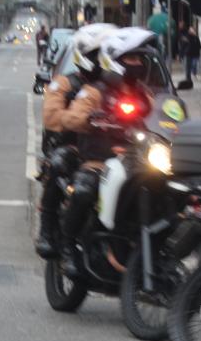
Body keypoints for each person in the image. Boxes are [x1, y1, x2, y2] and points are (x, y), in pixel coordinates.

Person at [55, 27, 159, 278]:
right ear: (115, 61)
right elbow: (70, 118)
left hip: (137, 161)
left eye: (139, 59)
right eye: (131, 59)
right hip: (98, 161)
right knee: (84, 191)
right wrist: (91, 119)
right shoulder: (93, 91)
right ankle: (68, 247)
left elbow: (161, 117)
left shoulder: (144, 94)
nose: (137, 65)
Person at [34, 22, 117, 258]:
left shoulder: (115, 88)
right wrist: (82, 120)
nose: (103, 60)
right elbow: (51, 117)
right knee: (59, 164)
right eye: (98, 55)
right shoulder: (65, 83)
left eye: (107, 54)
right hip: (73, 146)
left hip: (111, 151)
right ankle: (47, 229)